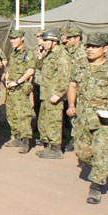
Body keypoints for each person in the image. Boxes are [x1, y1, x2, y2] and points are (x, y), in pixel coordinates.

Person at [67, 32, 108, 204]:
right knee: (82, 153)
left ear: (105, 48)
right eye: (88, 46)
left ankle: (96, 186)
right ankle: (97, 168)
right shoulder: (79, 65)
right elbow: (72, 85)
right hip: (83, 116)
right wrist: (71, 105)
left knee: (100, 152)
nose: (90, 50)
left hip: (104, 118)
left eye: (95, 46)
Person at [36, 28, 71, 159]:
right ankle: (49, 145)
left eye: (46, 40)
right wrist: (40, 55)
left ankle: (56, 148)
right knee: (45, 120)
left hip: (54, 94)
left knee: (54, 121)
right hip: (46, 93)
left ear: (54, 41)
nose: (43, 42)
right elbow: (39, 67)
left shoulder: (62, 56)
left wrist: (59, 93)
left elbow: (65, 75)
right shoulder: (49, 54)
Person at [2, 30, 38, 154]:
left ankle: (25, 140)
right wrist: (6, 77)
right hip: (11, 89)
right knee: (11, 114)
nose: (12, 41)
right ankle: (16, 136)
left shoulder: (28, 53)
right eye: (11, 38)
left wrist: (18, 81)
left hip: (20, 89)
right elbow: (10, 68)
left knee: (23, 115)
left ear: (22, 39)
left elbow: (30, 70)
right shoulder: (13, 54)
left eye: (15, 38)